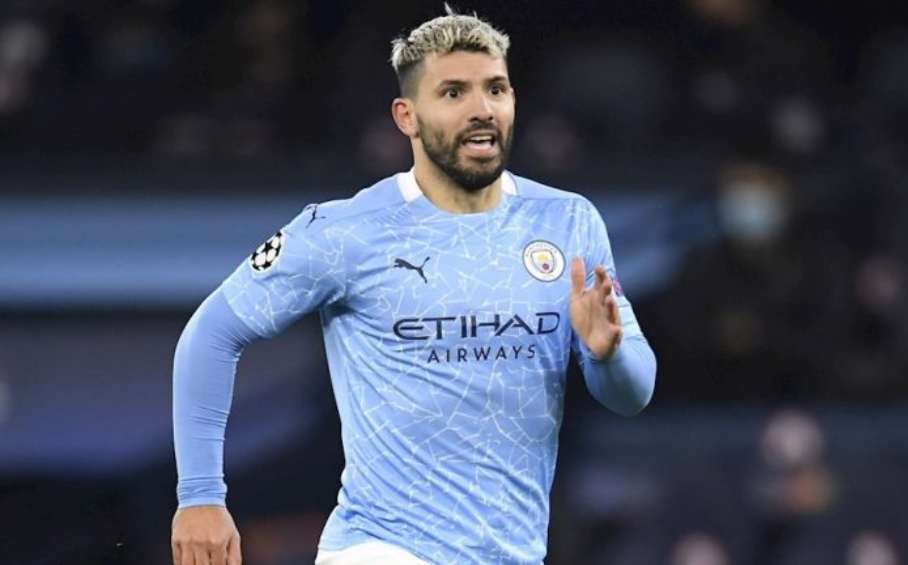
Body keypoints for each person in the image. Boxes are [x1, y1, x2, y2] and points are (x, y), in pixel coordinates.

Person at [170, 7, 657, 565]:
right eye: (453, 93)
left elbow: (633, 395)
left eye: (495, 89)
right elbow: (211, 334)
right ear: (407, 117)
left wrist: (608, 355)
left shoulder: (568, 222)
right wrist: (200, 496)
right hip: (382, 548)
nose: (481, 109)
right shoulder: (344, 231)